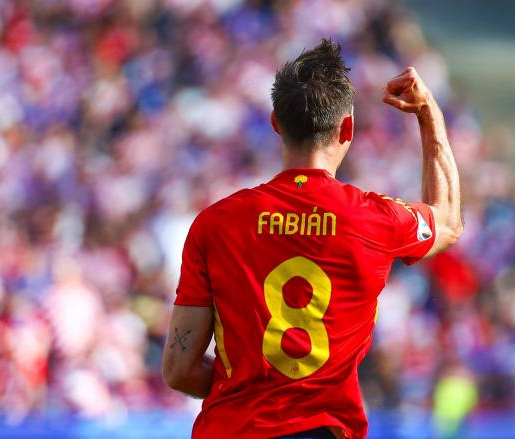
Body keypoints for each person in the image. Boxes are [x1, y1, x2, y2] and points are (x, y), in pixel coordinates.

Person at [162, 39, 462, 439]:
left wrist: (242, 389)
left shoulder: (216, 223)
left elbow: (179, 369)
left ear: (275, 123)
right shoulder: (374, 218)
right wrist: (428, 114)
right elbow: (447, 222)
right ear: (348, 128)